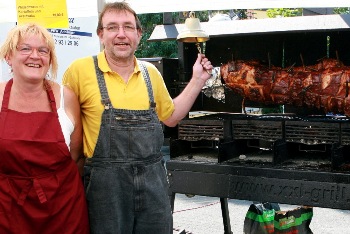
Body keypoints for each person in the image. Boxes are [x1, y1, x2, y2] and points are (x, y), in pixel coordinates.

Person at [63, 2, 213, 233]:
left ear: (138, 34)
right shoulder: (79, 71)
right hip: (106, 189)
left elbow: (171, 117)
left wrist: (198, 80)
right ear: (101, 34)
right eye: (112, 27)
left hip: (153, 184)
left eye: (128, 27)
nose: (121, 34)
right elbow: (69, 132)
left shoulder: (150, 73)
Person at [0, 23, 89, 233]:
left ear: (49, 60)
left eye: (43, 50)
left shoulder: (66, 98)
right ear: (9, 57)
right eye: (25, 49)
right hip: (8, 209)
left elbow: (76, 157)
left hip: (63, 209)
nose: (35, 56)